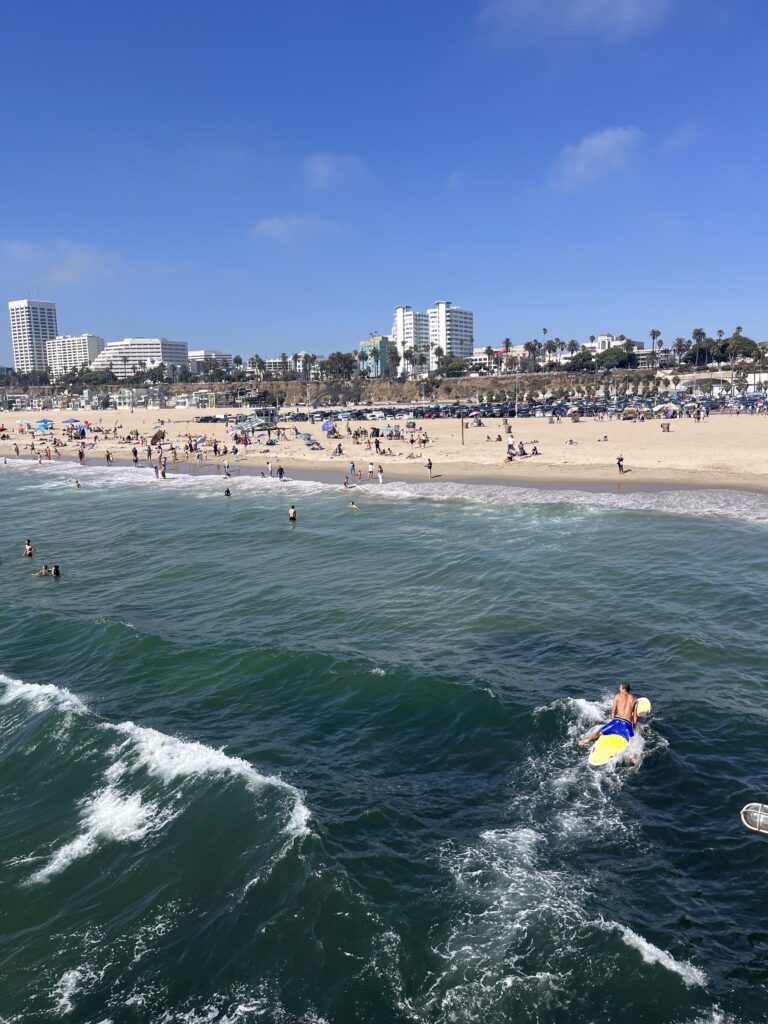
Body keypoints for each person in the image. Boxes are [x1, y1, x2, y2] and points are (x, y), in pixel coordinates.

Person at [579, 682, 638, 746]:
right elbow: (635, 716)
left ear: (624, 689)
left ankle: (586, 740)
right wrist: (634, 727)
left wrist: (613, 722)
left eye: (620, 688)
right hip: (626, 724)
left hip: (616, 721)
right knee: (632, 742)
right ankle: (633, 755)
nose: (619, 689)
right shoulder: (635, 700)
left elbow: (613, 710)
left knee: (599, 733)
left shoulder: (617, 696)